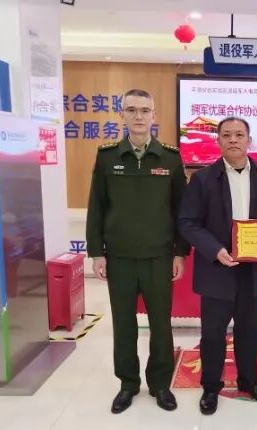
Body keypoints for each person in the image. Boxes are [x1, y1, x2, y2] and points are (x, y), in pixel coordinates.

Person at [86, 88, 189, 414]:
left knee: (161, 325)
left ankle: (160, 384)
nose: (139, 116)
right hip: (119, 257)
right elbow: (97, 207)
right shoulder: (107, 157)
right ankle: (128, 384)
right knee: (124, 325)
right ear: (123, 116)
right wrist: (97, 253)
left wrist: (180, 252)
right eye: (132, 110)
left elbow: (181, 210)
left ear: (154, 116)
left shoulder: (170, 157)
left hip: (159, 257)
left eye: (145, 110)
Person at [178, 117, 257, 415]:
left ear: (249, 140)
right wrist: (216, 250)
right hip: (217, 269)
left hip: (254, 270)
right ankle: (211, 387)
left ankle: (249, 381)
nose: (233, 140)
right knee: (213, 333)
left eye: (239, 135)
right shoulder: (202, 179)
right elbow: (188, 222)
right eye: (227, 135)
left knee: (250, 331)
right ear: (218, 141)